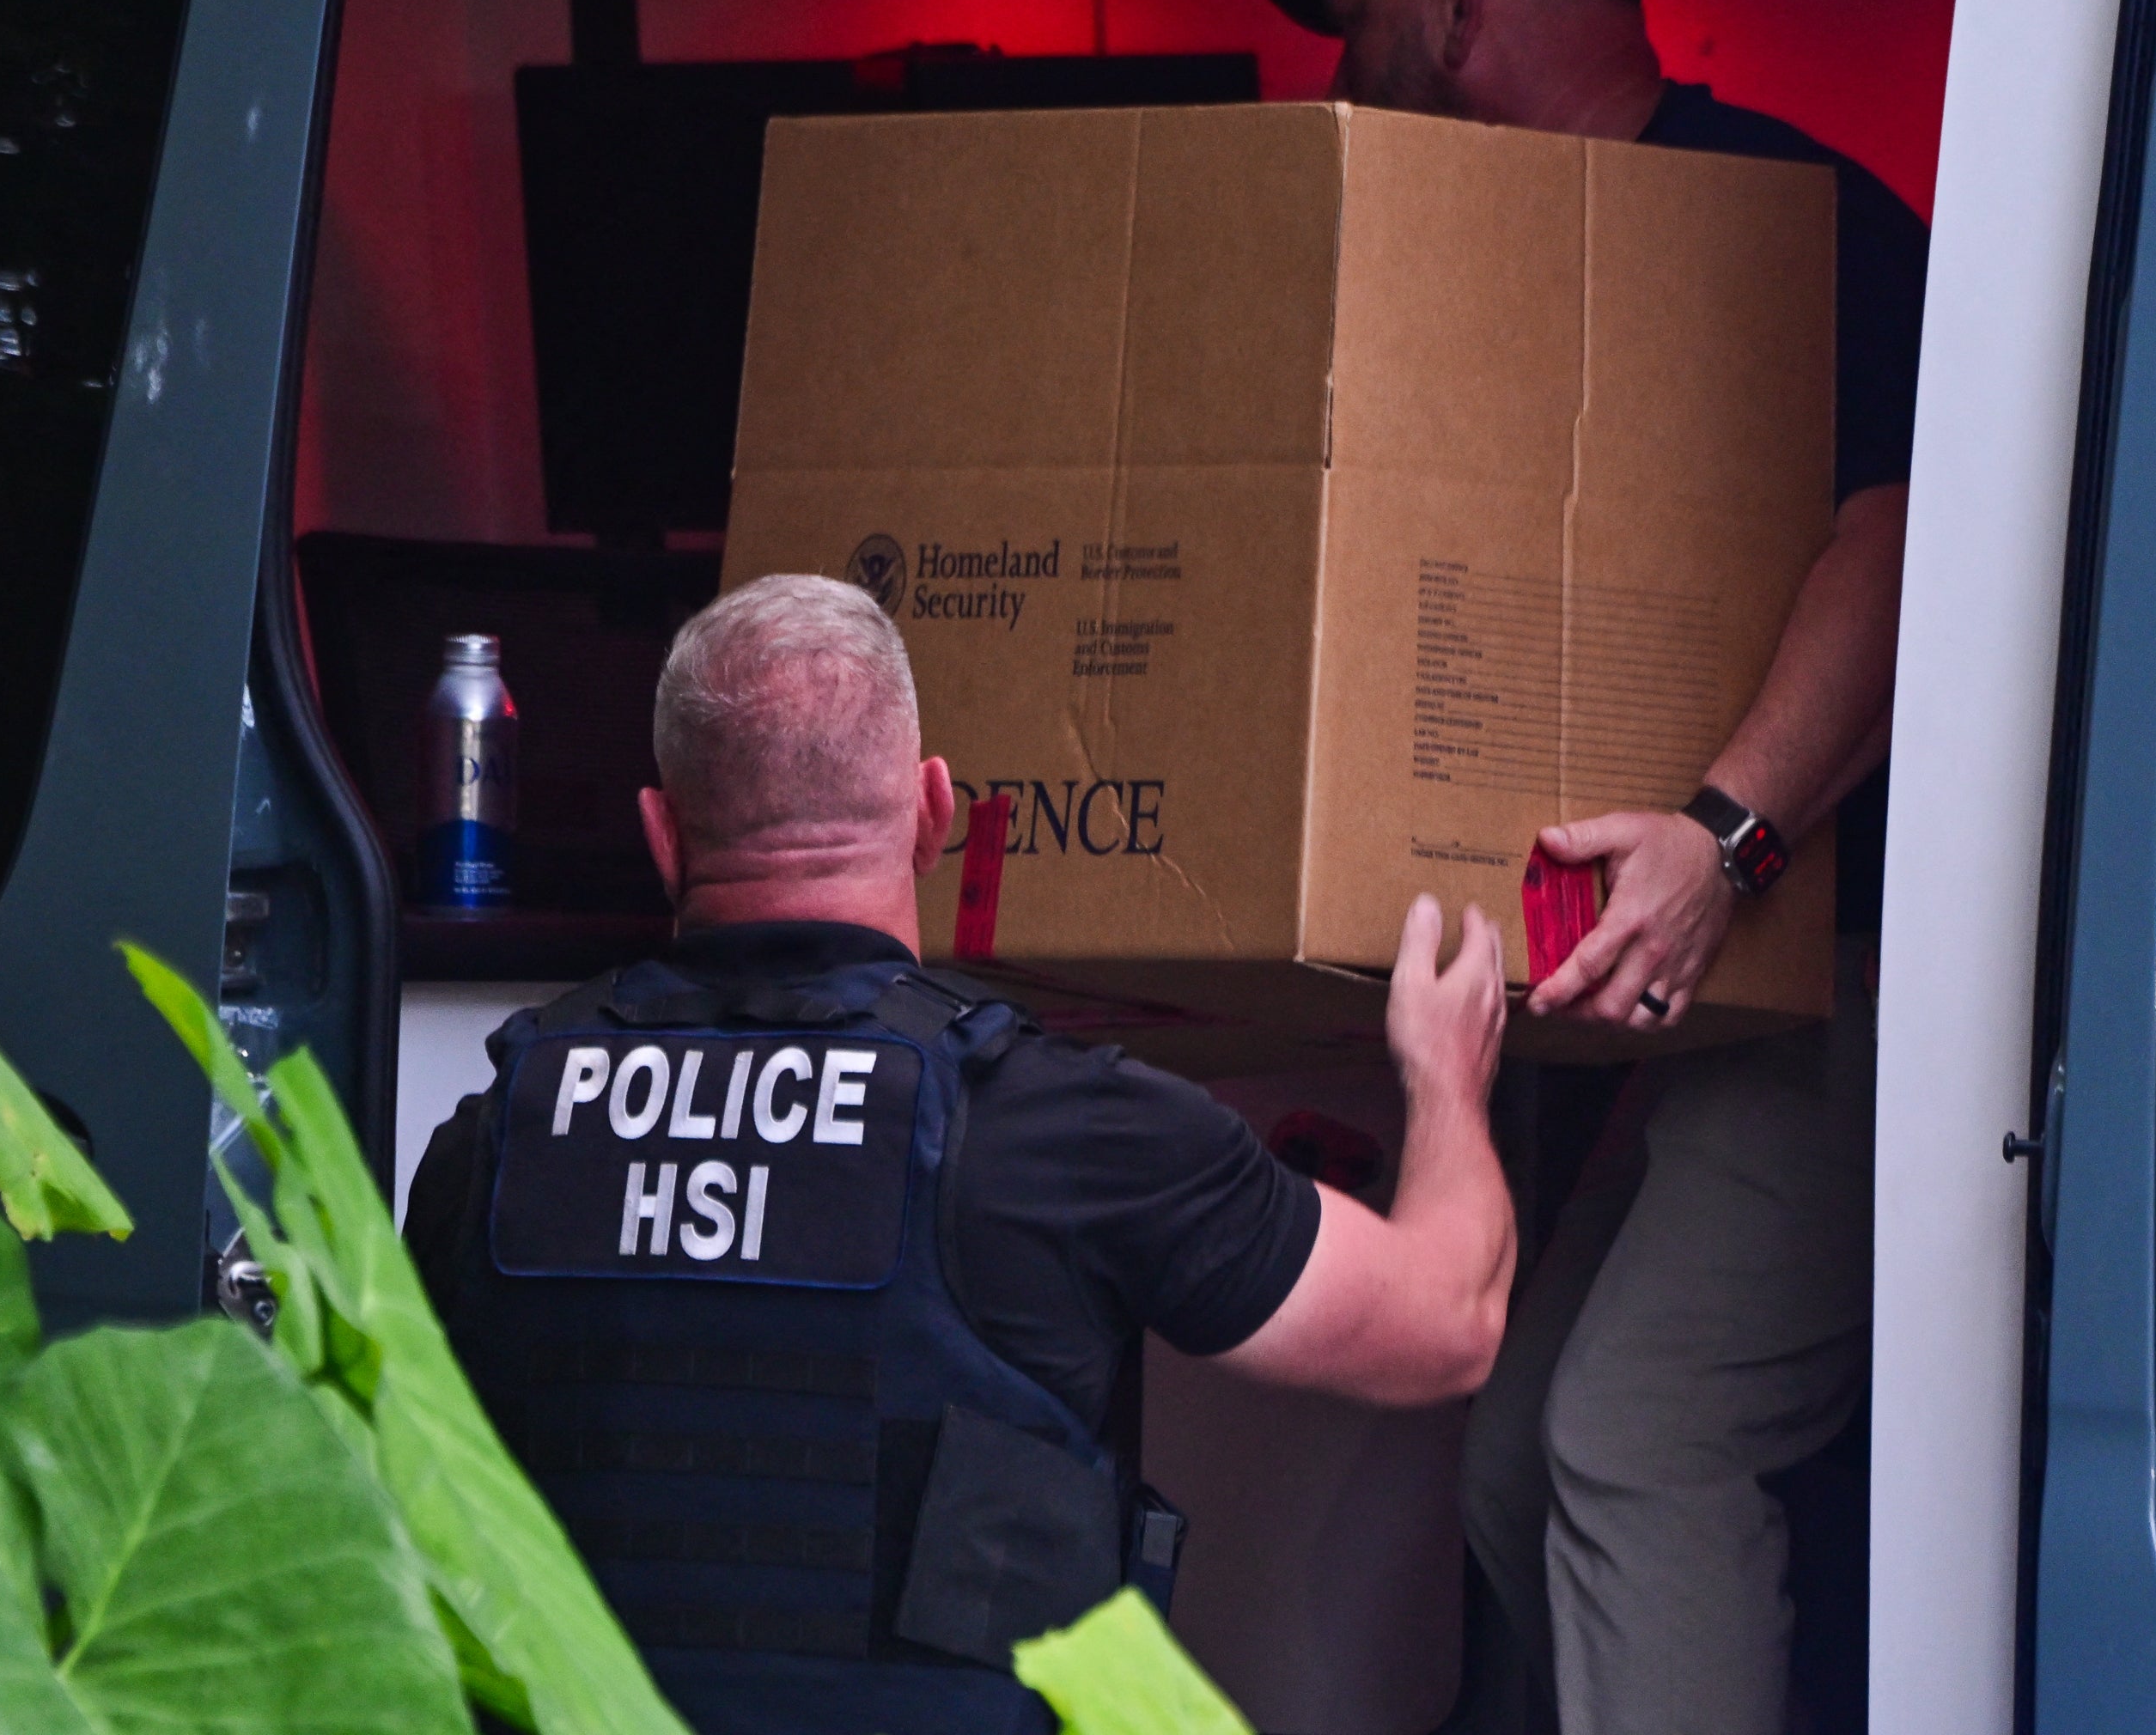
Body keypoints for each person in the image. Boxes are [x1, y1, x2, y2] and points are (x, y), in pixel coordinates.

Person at [1227, 0, 1924, 1735]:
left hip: (1859, 984)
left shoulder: (1783, 219)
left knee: (1631, 1436)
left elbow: (1908, 539)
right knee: (1521, 1448)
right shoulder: (1499, 275)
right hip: (1695, 1016)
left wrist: (1728, 837)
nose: (1337, 71)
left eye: (1356, 21)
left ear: (1459, 3)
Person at [405, 574, 1513, 1735]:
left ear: (661, 832)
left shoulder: (500, 1132)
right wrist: (1449, 1080)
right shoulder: (1062, 1127)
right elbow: (1446, 1324)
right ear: (938, 813)